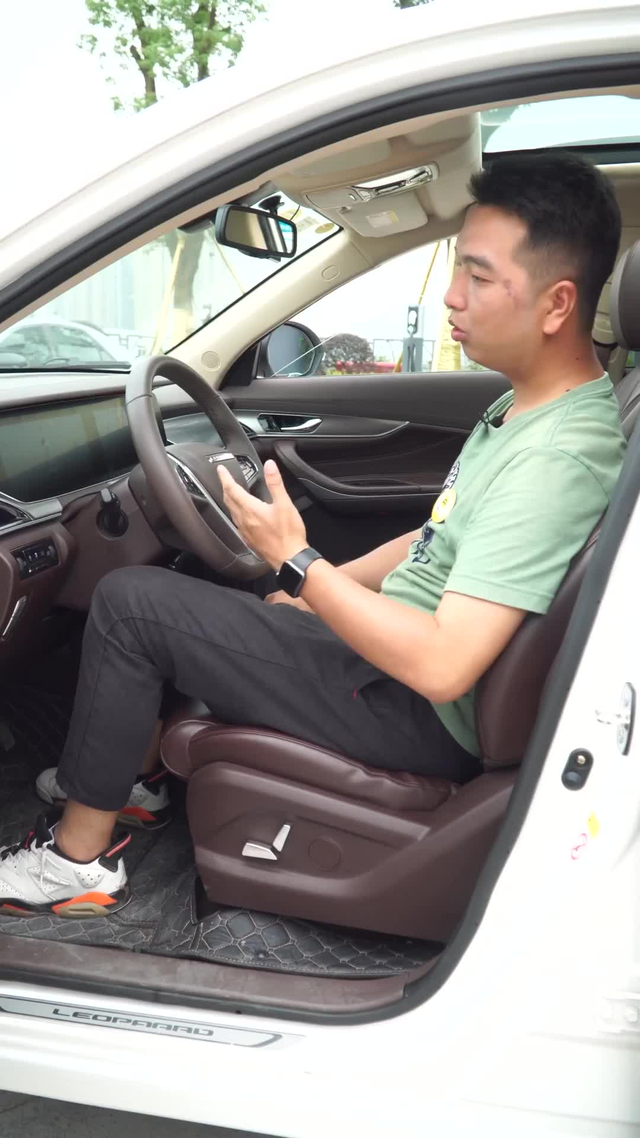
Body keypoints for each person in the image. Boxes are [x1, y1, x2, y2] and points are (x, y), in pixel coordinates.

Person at [0, 153, 626, 917]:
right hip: (388, 666)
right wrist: (315, 586)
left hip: (413, 707)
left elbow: (443, 666)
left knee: (131, 604)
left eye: (478, 275)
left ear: (557, 304)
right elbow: (436, 536)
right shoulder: (529, 408)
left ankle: (76, 863)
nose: (452, 296)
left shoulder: (557, 456)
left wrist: (298, 563)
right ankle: (128, 780)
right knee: (202, 595)